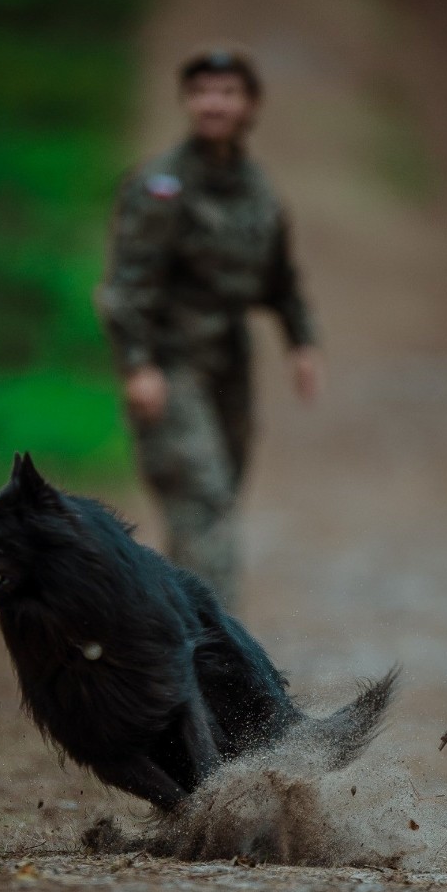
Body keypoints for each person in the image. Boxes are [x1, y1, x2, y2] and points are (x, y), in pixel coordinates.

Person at [96, 47, 322, 610]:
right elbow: (127, 283)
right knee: (203, 501)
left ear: (250, 105)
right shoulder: (162, 185)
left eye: (226, 92)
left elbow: (278, 273)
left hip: (229, 364)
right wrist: (138, 364)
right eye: (200, 92)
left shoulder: (254, 185)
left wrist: (302, 341)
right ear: (187, 102)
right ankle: (219, 657)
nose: (212, 104)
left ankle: (176, 640)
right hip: (171, 366)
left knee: (216, 503)